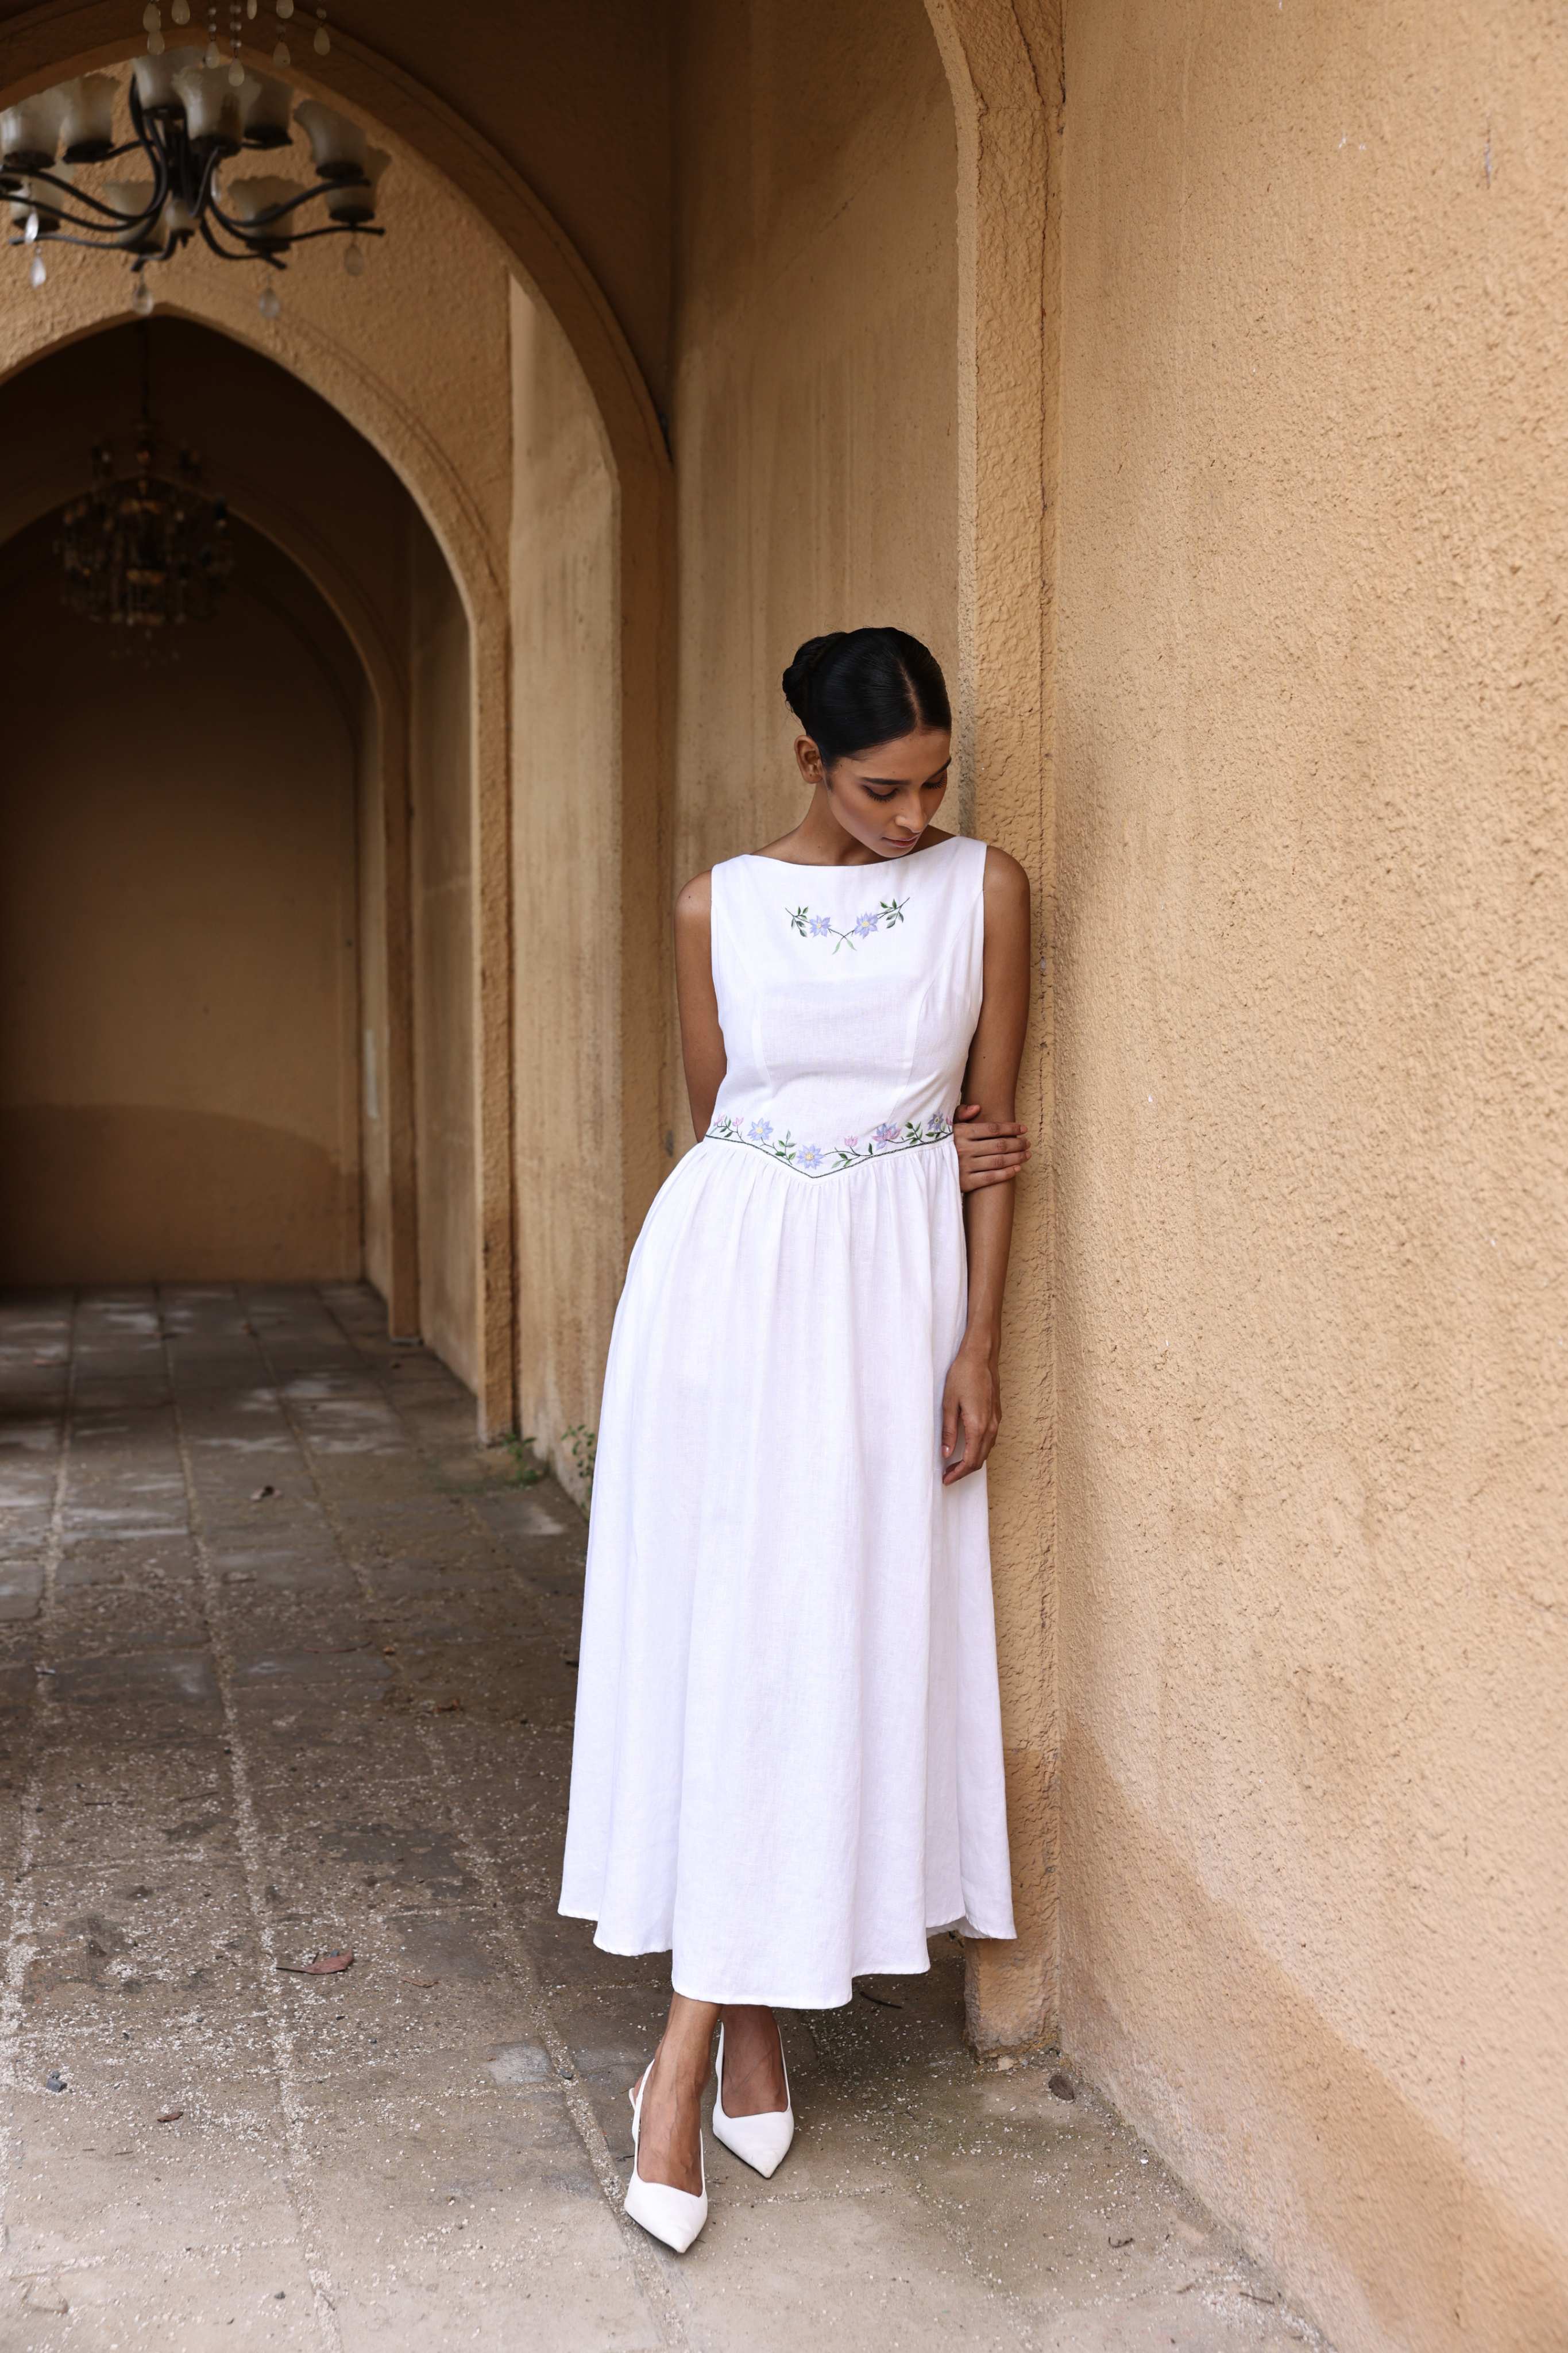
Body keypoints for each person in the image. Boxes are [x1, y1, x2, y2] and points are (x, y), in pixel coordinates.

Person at [559, 626, 1032, 2251]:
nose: (915, 815)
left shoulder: (986, 891)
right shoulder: (716, 907)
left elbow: (992, 1135)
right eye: (883, 787)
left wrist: (977, 1340)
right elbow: (724, 1119)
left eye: (933, 782)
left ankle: (706, 2036)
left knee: (824, 1641)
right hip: (730, 1288)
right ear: (811, 765)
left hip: (895, 1299)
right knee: (738, 1640)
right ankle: (714, 2038)